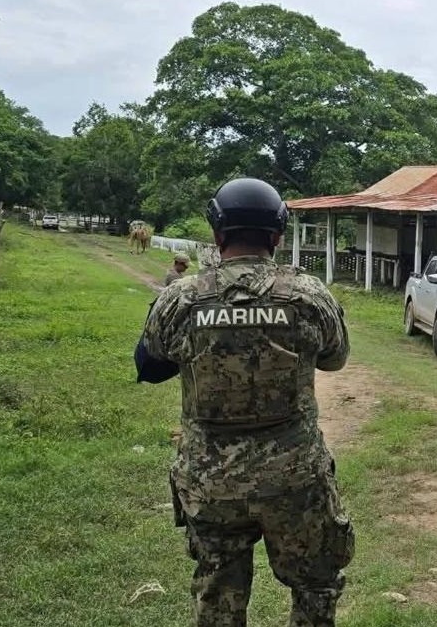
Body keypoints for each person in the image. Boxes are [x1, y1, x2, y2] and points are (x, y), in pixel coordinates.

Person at [134, 177, 355, 627]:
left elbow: (149, 366)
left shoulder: (182, 298)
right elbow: (335, 360)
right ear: (278, 236)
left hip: (211, 482)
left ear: (217, 234)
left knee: (218, 591)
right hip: (295, 480)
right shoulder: (309, 296)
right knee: (315, 586)